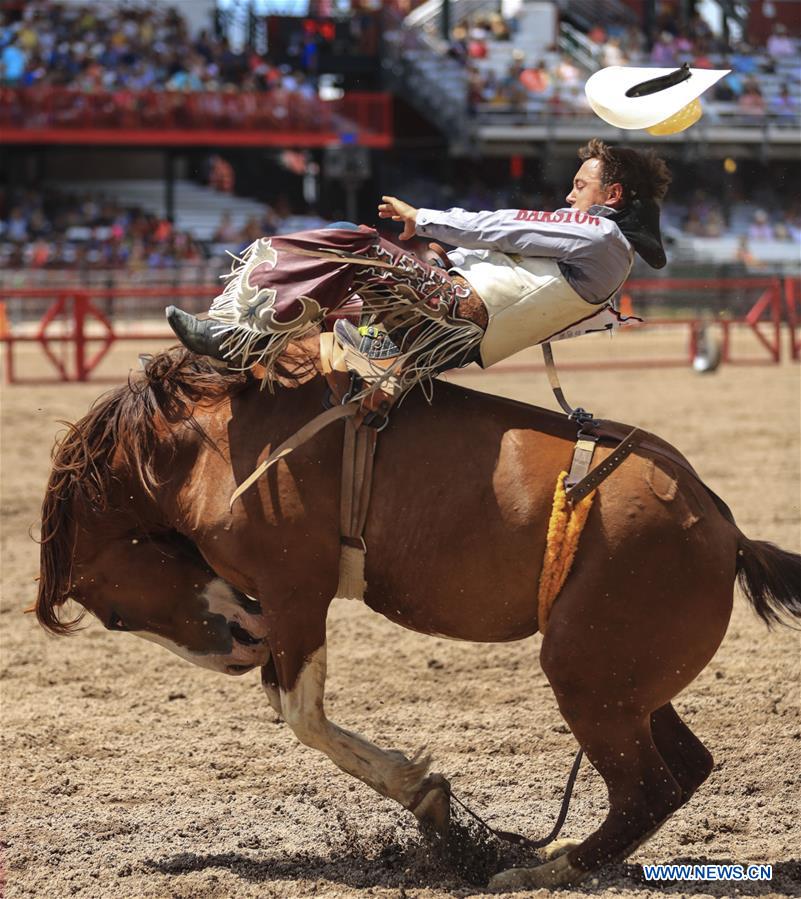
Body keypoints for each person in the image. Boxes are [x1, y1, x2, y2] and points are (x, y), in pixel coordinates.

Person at [166, 140, 670, 397]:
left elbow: (506, 227)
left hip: (452, 313)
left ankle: (234, 337)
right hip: (457, 327)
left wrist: (423, 218)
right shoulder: (605, 250)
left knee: (352, 242)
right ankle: (243, 350)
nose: (569, 194)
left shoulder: (600, 236)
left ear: (613, 195)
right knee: (333, 294)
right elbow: (517, 265)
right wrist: (444, 256)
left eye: (580, 185)